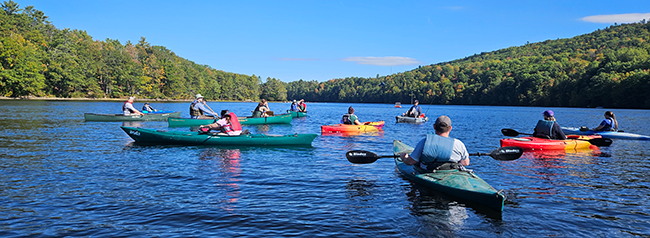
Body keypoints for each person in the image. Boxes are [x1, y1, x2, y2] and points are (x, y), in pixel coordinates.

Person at [400, 115, 470, 171]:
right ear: (450, 128)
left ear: (434, 126)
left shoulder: (424, 142)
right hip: (451, 170)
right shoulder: (459, 144)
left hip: (428, 171)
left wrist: (404, 157)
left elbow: (410, 162)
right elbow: (466, 163)